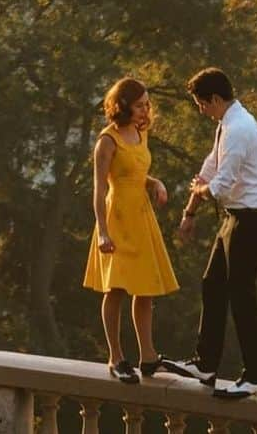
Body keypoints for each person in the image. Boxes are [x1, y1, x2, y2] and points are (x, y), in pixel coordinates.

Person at [163, 67, 257, 400]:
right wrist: (190, 211)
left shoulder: (240, 128)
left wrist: (204, 190)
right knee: (213, 284)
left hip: (250, 221)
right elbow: (211, 167)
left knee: (242, 298)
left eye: (201, 104)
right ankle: (206, 363)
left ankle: (256, 376)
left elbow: (221, 185)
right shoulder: (226, 125)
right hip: (234, 218)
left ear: (214, 99)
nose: (201, 111)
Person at [83, 76, 179, 384]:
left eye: (147, 105)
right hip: (117, 218)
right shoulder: (107, 141)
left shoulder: (141, 133)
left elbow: (139, 173)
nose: (145, 111)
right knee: (117, 289)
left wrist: (157, 183)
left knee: (146, 289)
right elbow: (99, 189)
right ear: (122, 105)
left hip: (141, 216)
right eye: (139, 105)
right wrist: (102, 232)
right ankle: (116, 357)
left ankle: (148, 357)